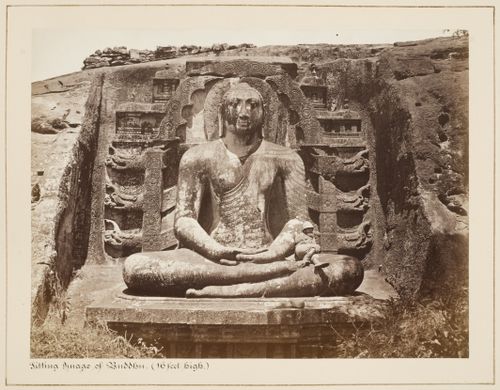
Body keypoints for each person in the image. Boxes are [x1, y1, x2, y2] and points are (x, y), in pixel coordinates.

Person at [123, 82, 363, 297]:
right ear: (221, 112)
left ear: (264, 114)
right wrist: (214, 249)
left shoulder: (285, 158)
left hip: (268, 255)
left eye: (252, 105)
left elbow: (298, 222)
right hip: (213, 258)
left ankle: (231, 288)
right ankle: (262, 283)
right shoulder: (197, 157)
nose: (243, 112)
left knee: (349, 269)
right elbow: (184, 220)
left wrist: (279, 253)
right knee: (136, 268)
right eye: (235, 104)